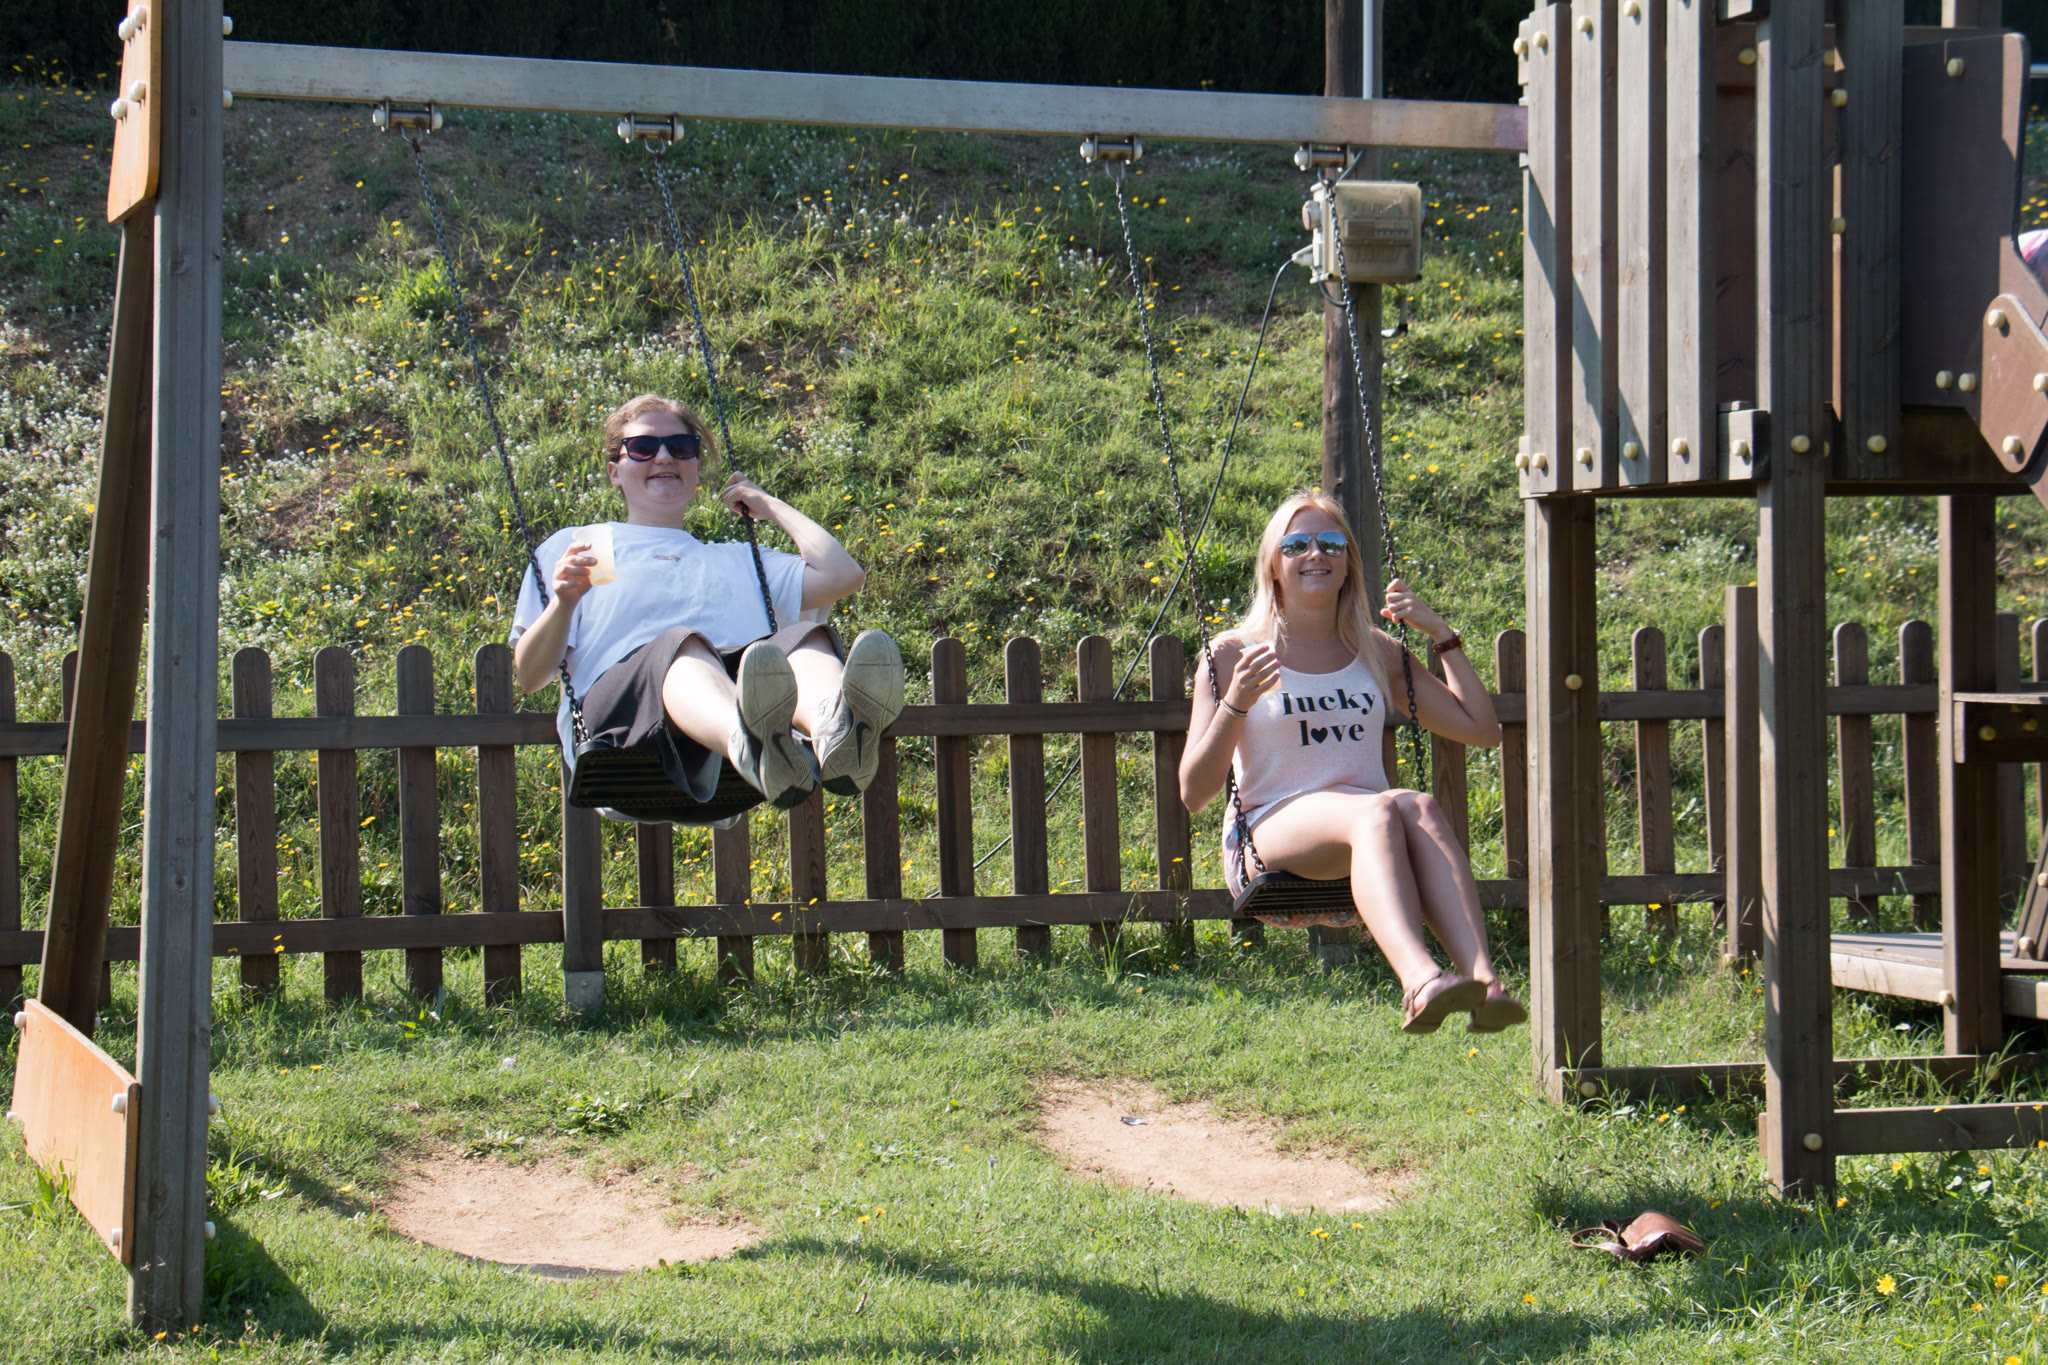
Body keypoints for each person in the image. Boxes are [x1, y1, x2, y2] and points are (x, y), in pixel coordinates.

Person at [1179, 491, 1526, 1035]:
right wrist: (1236, 703)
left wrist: (1442, 636)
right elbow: (1194, 793)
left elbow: (1481, 731)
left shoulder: (1375, 650)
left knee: (1419, 804)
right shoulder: (1231, 654)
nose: (1315, 553)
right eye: (1296, 545)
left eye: (1332, 543)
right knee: (1378, 810)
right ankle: (1420, 982)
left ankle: (1486, 984)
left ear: (1348, 565)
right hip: (1271, 829)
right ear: (1273, 565)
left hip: (1368, 828)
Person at [512, 394, 904, 812]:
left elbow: (843, 575)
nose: (664, 456)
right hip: (624, 730)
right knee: (684, 648)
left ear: (696, 468)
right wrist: (563, 604)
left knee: (806, 638)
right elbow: (530, 676)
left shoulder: (739, 560)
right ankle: (749, 744)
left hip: (719, 733)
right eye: (643, 447)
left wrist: (771, 506)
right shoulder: (584, 547)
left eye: (681, 447)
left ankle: (833, 731)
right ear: (615, 471)